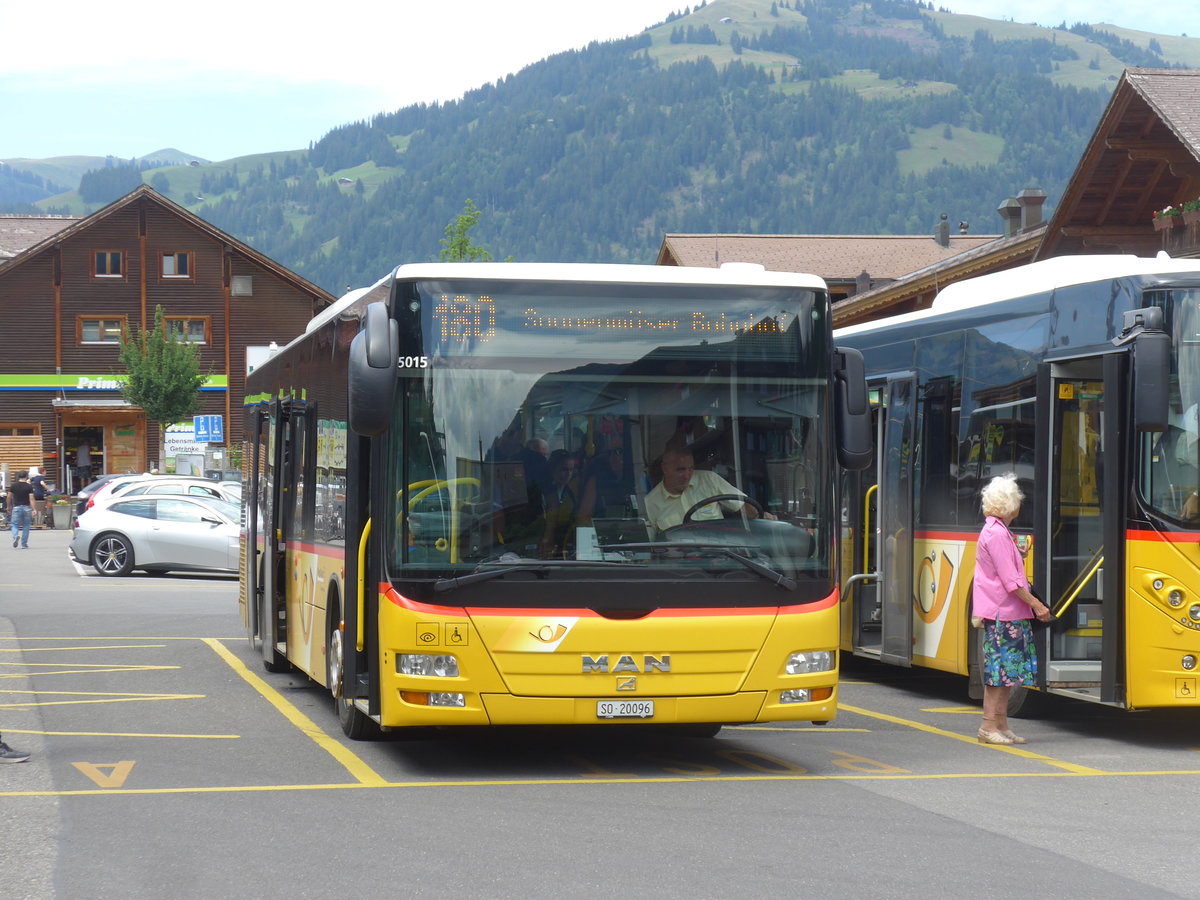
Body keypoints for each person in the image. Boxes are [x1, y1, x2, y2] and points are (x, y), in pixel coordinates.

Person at [972, 473, 1052, 745]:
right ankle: (987, 726)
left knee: (1007, 673)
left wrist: (1019, 555)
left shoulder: (998, 531)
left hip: (1008, 612)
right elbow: (1011, 582)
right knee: (998, 673)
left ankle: (1001, 724)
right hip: (1003, 611)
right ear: (1011, 506)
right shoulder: (996, 534)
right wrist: (1037, 605)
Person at [644, 445, 776, 533]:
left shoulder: (709, 480)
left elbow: (743, 506)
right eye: (681, 470)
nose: (687, 475)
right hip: (679, 567)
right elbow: (651, 547)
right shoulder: (650, 503)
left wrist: (763, 517)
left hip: (720, 558)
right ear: (665, 469)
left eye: (690, 468)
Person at [540, 449, 581, 558]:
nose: (568, 474)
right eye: (564, 469)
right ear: (553, 469)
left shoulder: (572, 493)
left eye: (571, 470)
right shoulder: (541, 493)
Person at [7, 469, 35, 549]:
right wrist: (34, 509)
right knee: (26, 526)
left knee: (14, 524)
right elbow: (31, 499)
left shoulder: (13, 485)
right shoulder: (29, 486)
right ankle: (24, 544)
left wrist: (9, 506)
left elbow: (9, 497)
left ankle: (15, 536)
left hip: (16, 507)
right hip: (26, 508)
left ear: (18, 476)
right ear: (26, 476)